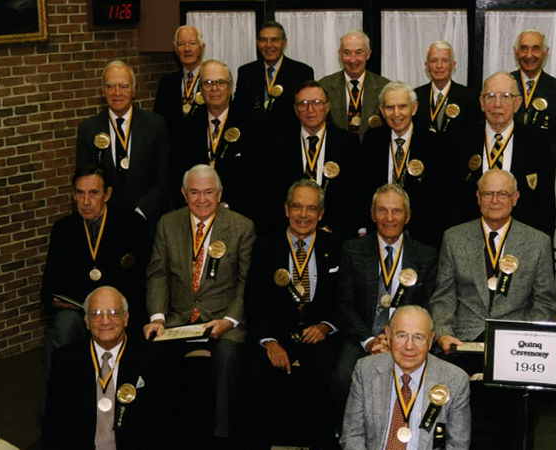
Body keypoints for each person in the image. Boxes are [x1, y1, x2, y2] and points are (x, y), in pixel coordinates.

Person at [430, 168, 556, 449]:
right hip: (462, 340)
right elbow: (443, 296)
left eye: (502, 194)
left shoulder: (537, 242)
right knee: (460, 412)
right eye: (488, 193)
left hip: (512, 342)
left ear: (515, 198)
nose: (495, 200)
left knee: (508, 416)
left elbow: (545, 301)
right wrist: (442, 332)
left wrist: (524, 338)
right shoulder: (454, 237)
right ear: (477, 197)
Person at [143, 164, 256, 449]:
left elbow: (246, 283)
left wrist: (230, 320)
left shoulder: (242, 227)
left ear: (219, 194)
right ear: (183, 193)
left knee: (228, 357)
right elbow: (157, 274)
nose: (202, 199)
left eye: (208, 192)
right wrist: (157, 317)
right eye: (194, 192)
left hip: (221, 320)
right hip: (178, 320)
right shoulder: (167, 224)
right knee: (151, 352)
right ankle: (160, 435)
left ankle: (222, 437)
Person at [245, 179, 340, 449]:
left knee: (324, 375)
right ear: (286, 210)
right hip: (278, 334)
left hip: (318, 335)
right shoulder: (265, 246)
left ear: (321, 214)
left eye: (311, 209)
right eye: (297, 207)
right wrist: (269, 341)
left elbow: (342, 298)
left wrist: (325, 326)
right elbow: (254, 301)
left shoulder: (335, 247)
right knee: (257, 374)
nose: (303, 215)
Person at [333, 184, 437, 431]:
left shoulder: (426, 255)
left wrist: (398, 340)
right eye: (382, 211)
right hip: (363, 336)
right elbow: (344, 305)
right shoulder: (352, 250)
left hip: (408, 339)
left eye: (396, 211)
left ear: (408, 216)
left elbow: (428, 305)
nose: (389, 219)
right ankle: (346, 437)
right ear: (372, 214)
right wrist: (369, 340)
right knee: (341, 378)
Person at [41, 165, 149, 385]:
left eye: (93, 193)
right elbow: (49, 287)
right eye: (80, 193)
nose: (86, 201)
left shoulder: (131, 225)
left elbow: (140, 283)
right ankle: (53, 406)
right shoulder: (63, 230)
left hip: (120, 312)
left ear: (107, 194)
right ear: (73, 195)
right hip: (80, 314)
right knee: (63, 328)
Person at [42, 286, 160, 450]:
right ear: (87, 321)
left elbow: (162, 425)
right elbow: (54, 425)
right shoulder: (65, 360)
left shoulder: (150, 358)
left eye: (113, 313)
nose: (105, 321)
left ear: (125, 318)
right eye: (96, 314)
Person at [340, 305, 471, 450]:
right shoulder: (366, 370)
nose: (409, 346)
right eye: (401, 336)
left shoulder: (455, 380)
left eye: (418, 337)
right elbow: (352, 436)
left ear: (430, 339)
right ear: (388, 336)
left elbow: (457, 445)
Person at [451, 71, 555, 237]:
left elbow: (545, 204)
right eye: (490, 96)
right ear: (481, 102)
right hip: (471, 241)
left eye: (505, 96)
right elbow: (452, 202)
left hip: (522, 240)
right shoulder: (461, 143)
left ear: (517, 103)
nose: (497, 104)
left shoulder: (537, 144)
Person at [76, 60, 170, 234]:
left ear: (134, 90)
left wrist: (140, 212)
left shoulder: (155, 125)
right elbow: (85, 181)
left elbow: (163, 179)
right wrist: (110, 214)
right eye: (110, 86)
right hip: (105, 223)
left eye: (124, 86)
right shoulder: (88, 130)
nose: (117, 93)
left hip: (148, 221)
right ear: (102, 91)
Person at [264, 80, 361, 238]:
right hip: (289, 233)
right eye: (303, 104)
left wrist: (333, 228)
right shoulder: (278, 145)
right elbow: (271, 193)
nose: (310, 109)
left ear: (327, 107)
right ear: (295, 110)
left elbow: (355, 193)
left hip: (334, 234)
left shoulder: (347, 143)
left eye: (316, 103)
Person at [362, 81, 442, 247]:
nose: (396, 114)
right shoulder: (372, 140)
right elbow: (363, 188)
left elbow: (440, 196)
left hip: (421, 235)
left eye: (402, 107)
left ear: (413, 108)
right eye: (390, 107)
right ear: (382, 111)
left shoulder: (434, 144)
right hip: (379, 231)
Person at [175, 59, 254, 216]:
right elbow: (178, 172)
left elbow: (256, 175)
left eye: (220, 82)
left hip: (238, 214)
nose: (214, 88)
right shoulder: (187, 126)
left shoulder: (250, 124)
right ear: (201, 90)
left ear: (230, 87)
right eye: (208, 83)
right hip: (196, 212)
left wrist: (226, 206)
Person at [234, 21, 314, 130]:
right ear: (257, 43)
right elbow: (239, 111)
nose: (268, 45)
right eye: (263, 40)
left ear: (284, 43)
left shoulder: (302, 72)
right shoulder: (246, 72)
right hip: (253, 142)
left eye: (274, 40)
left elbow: (306, 112)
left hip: (289, 141)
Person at [319, 30, 390, 141]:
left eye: (358, 52)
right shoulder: (324, 87)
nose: (353, 59)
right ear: (339, 55)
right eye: (347, 53)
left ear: (368, 54)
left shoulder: (385, 87)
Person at [413, 41, 480, 136]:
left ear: (453, 65)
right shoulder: (415, 96)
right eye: (433, 61)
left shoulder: (469, 98)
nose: (439, 66)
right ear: (427, 66)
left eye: (444, 60)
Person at [153, 25, 206, 138]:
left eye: (192, 43)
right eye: (181, 44)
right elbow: (158, 124)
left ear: (202, 47)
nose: (187, 49)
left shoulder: (212, 81)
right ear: (176, 50)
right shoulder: (166, 84)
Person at [510, 29, 556, 143]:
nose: (529, 55)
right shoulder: (503, 85)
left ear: (545, 52)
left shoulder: (554, 87)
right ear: (515, 53)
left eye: (535, 49)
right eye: (524, 49)